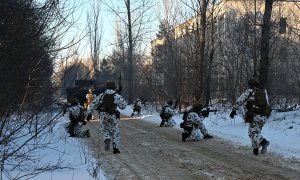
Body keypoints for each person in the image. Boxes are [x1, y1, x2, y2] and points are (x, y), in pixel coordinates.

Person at [230, 78, 271, 155]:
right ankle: (255, 149)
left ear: (250, 85)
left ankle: (264, 142)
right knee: (256, 131)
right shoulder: (264, 92)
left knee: (251, 133)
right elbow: (267, 103)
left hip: (255, 115)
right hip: (264, 115)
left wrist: (234, 109)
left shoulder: (249, 91)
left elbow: (239, 100)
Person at [86, 81, 127, 154]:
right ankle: (115, 148)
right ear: (114, 87)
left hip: (103, 115)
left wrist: (89, 114)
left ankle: (107, 139)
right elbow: (123, 106)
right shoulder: (116, 95)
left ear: (107, 87)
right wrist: (119, 95)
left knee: (104, 129)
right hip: (113, 115)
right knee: (115, 131)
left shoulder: (101, 95)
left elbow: (93, 104)